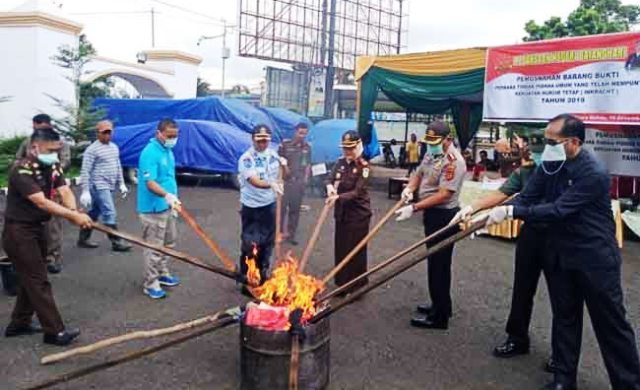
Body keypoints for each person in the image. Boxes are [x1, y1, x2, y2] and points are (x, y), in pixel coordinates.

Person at [487, 114, 640, 390]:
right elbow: (530, 196)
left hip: (594, 258)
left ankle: (628, 384)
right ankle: (563, 380)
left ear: (573, 142)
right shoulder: (550, 165)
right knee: (565, 317)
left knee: (611, 325)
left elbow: (559, 210)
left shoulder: (593, 172)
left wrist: (512, 211)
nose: (546, 145)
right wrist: (489, 209)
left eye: (551, 141)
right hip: (561, 254)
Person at [450, 138, 553, 361]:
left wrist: (508, 211)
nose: (533, 157)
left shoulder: (561, 172)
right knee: (522, 289)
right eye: (531, 152)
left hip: (558, 238)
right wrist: (473, 208)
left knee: (561, 296)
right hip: (532, 234)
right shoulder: (526, 172)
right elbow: (502, 192)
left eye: (537, 153)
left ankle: (561, 353)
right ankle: (517, 338)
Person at [3, 127, 92, 346]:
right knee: (38, 280)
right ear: (35, 148)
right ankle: (54, 332)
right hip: (19, 232)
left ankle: (19, 323)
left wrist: (75, 211)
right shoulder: (21, 170)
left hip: (37, 228)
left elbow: (65, 191)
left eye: (57, 150)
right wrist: (72, 216)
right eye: (51, 150)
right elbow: (41, 201)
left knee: (31, 277)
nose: (55, 155)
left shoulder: (51, 166)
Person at [394, 121, 466, 330]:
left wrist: (414, 208)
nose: (431, 145)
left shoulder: (454, 161)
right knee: (434, 262)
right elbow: (418, 173)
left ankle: (439, 317)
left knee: (440, 265)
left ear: (448, 140)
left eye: (436, 142)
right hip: (431, 214)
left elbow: (444, 195)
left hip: (444, 217)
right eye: (430, 141)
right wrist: (409, 188)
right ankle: (440, 304)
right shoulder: (432, 152)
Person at [15, 114, 71, 274]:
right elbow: (18, 158)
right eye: (34, 129)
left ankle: (53, 258)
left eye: (38, 129)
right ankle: (37, 256)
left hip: (52, 188)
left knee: (53, 226)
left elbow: (65, 163)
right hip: (31, 189)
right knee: (35, 224)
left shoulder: (60, 142)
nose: (36, 132)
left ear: (47, 126)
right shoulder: (27, 143)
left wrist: (72, 212)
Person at [137, 118, 182, 299]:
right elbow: (150, 182)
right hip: (153, 208)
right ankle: (151, 283)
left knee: (169, 242)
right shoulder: (150, 153)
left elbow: (168, 177)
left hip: (168, 205)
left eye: (175, 136)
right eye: (169, 136)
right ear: (159, 133)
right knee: (154, 247)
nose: (173, 139)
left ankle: (162, 273)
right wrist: (167, 196)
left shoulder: (167, 150)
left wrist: (173, 199)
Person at [238, 125, 284, 287]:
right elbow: (254, 181)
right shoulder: (246, 158)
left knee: (267, 243)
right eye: (260, 140)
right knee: (251, 245)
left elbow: (281, 174)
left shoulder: (273, 155)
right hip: (252, 207)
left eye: (266, 140)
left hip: (269, 205)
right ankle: (247, 277)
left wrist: (283, 168)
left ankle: (262, 274)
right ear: (253, 139)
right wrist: (271, 184)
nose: (263, 144)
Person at [326, 130, 371, 293]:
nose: (348, 151)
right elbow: (330, 179)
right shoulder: (340, 163)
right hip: (342, 213)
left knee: (355, 250)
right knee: (341, 248)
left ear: (358, 146)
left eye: (351, 148)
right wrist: (330, 187)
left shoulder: (363, 166)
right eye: (345, 148)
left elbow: (357, 192)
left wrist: (338, 197)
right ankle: (341, 284)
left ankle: (357, 286)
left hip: (358, 215)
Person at [77, 120, 132, 252]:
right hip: (98, 185)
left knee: (95, 212)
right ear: (98, 133)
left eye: (109, 132)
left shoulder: (114, 147)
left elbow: (117, 165)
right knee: (109, 211)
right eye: (104, 133)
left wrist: (122, 183)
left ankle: (83, 239)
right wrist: (85, 190)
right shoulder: (92, 150)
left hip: (110, 184)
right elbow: (85, 170)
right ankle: (116, 242)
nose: (107, 135)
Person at [278, 123, 311, 246]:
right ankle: (279, 233)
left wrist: (305, 180)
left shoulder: (307, 147)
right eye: (300, 132)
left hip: (298, 183)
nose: (302, 135)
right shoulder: (285, 145)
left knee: (295, 210)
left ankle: (291, 236)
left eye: (304, 133)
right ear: (295, 132)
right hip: (286, 182)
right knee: (281, 210)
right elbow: (279, 162)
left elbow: (307, 164)